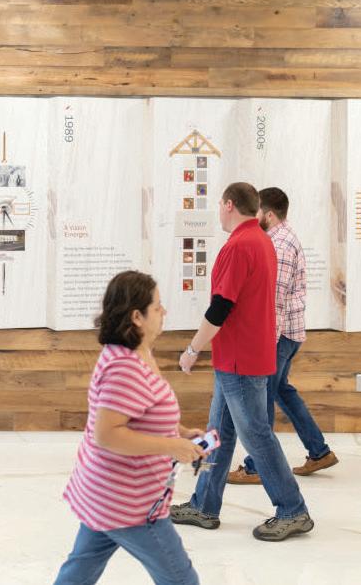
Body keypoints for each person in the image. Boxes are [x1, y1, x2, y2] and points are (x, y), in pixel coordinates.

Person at [170, 183, 314, 542]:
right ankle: (204, 505)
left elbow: (220, 308)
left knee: (256, 435)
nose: (219, 210)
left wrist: (192, 350)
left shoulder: (238, 246)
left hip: (241, 360)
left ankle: (293, 509)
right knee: (218, 431)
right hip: (240, 356)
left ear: (230, 205)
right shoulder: (262, 240)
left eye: (220, 204)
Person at [54, 271, 204, 585]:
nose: (164, 312)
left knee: (79, 573)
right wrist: (172, 446)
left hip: (105, 496)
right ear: (137, 317)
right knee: (182, 581)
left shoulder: (136, 353)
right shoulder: (124, 368)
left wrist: (179, 432)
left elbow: (141, 412)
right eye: (157, 307)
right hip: (129, 502)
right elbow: (108, 434)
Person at [229, 187, 337, 485]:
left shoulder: (280, 244)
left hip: (281, 334)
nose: (253, 217)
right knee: (280, 391)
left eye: (257, 212)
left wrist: (265, 341)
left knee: (261, 397)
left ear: (269, 214)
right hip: (290, 331)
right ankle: (319, 451)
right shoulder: (280, 239)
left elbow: (274, 299)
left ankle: (256, 467)